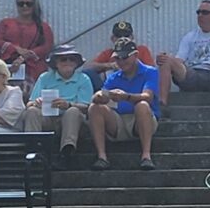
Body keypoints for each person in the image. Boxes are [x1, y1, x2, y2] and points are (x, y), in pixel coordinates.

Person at [156, 0, 210, 118]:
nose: (200, 16)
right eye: (198, 12)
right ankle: (162, 105)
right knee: (166, 59)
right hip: (194, 74)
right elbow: (180, 60)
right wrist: (166, 59)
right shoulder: (189, 37)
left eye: (204, 12)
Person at [89, 39, 161, 170]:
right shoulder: (113, 77)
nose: (121, 62)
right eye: (118, 58)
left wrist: (126, 96)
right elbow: (100, 94)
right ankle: (101, 157)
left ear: (135, 55)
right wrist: (99, 96)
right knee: (94, 108)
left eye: (124, 57)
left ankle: (146, 156)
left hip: (143, 120)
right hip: (118, 121)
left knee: (142, 105)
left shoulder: (150, 72)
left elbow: (148, 97)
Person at [24, 47, 94, 164]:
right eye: (63, 59)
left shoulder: (83, 79)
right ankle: (33, 150)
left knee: (73, 111)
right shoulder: (44, 77)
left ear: (76, 63)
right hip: (48, 119)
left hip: (74, 123)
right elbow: (29, 103)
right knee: (32, 111)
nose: (67, 62)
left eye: (71, 59)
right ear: (56, 63)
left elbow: (87, 107)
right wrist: (37, 102)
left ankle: (67, 153)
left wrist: (68, 105)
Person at [0, 0, 54, 87]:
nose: (24, 6)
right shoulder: (5, 23)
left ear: (34, 5)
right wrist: (16, 49)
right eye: (21, 4)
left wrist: (25, 56)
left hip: (34, 69)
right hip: (10, 67)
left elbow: (47, 46)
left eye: (28, 4)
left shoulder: (43, 27)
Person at [92, 19, 154, 85]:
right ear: (112, 38)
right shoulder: (109, 53)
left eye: (126, 36)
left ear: (132, 37)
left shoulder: (141, 50)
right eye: (119, 36)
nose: (122, 39)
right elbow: (90, 67)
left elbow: (151, 70)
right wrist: (110, 65)